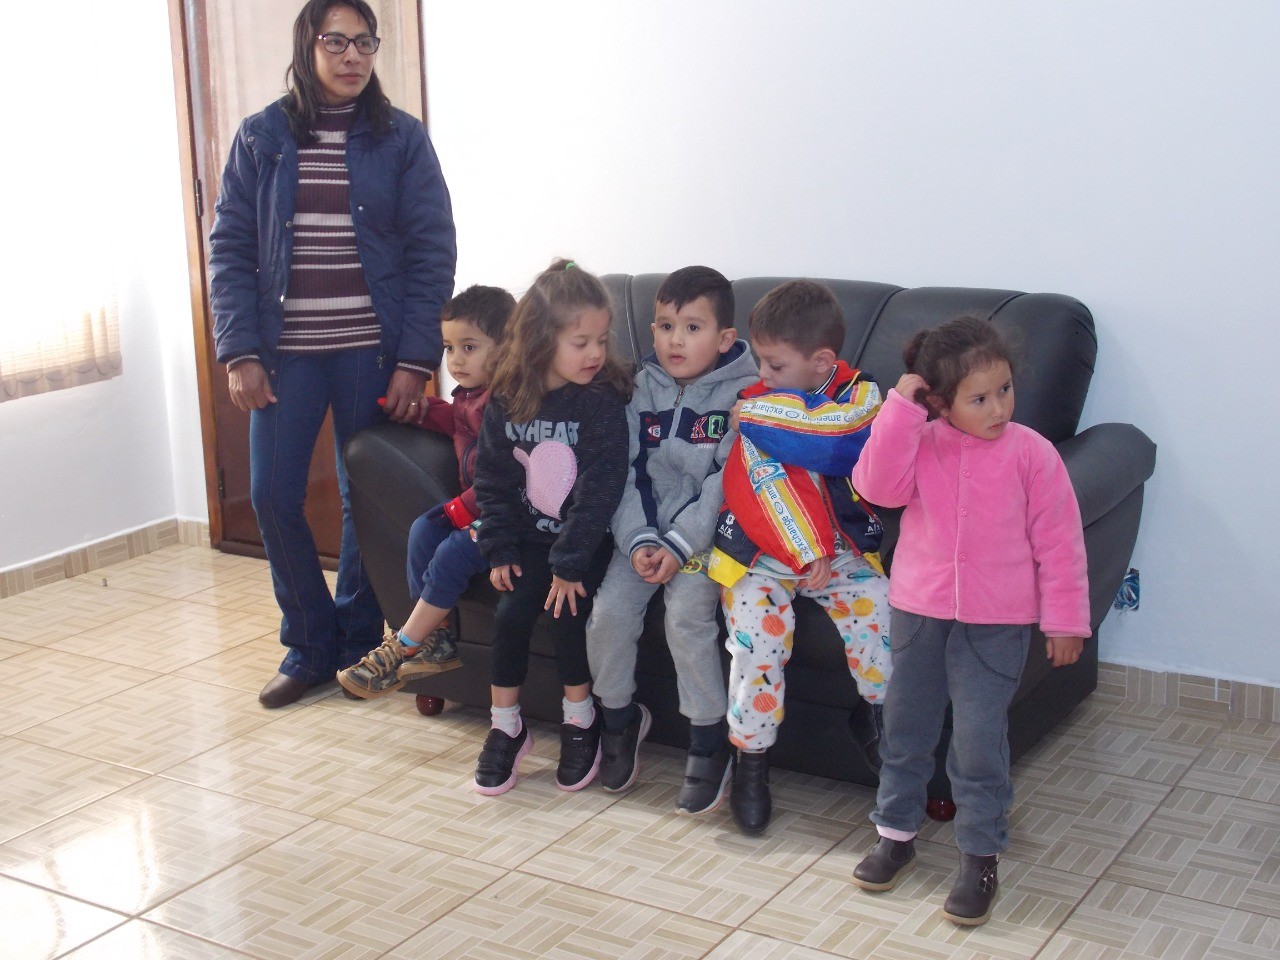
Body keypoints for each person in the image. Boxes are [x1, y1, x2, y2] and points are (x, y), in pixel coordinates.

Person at [208, 0, 456, 709]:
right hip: (283, 354)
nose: (352, 56)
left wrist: (415, 360)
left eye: (365, 43)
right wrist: (239, 348)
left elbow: (432, 250)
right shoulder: (261, 137)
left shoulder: (401, 138)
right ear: (308, 47)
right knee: (272, 494)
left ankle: (352, 641)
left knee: (362, 495)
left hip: (369, 352)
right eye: (336, 41)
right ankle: (308, 645)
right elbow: (229, 248)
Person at [849, 316, 1089, 926]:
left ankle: (980, 854)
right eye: (979, 399)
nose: (999, 408)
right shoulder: (919, 439)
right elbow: (875, 487)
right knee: (904, 728)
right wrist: (900, 409)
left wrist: (1065, 620)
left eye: (1004, 390)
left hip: (997, 623)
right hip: (919, 613)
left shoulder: (1031, 453)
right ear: (940, 403)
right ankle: (895, 834)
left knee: (979, 741)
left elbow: (1061, 544)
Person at [709, 279, 891, 835]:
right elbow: (759, 484)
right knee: (757, 642)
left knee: (883, 611)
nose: (763, 375)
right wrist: (803, 550)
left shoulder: (860, 395)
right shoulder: (755, 402)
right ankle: (750, 758)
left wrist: (766, 420)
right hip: (761, 554)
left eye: (776, 365)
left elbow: (841, 442)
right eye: (761, 362)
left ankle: (877, 716)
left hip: (842, 553)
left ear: (822, 362)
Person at [585, 266, 758, 812]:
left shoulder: (746, 396)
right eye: (664, 326)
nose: (674, 341)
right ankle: (618, 719)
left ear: (725, 338)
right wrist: (639, 541)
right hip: (640, 535)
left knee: (686, 617)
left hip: (703, 543)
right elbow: (624, 471)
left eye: (691, 328)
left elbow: (726, 486)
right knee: (608, 614)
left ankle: (708, 739)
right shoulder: (641, 388)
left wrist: (681, 545)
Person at [470, 259, 632, 796]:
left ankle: (580, 719)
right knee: (511, 614)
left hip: (585, 542)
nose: (595, 354)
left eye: (601, 341)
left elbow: (601, 490)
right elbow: (491, 478)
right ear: (542, 339)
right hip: (528, 540)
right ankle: (506, 727)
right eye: (580, 342)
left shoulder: (600, 402)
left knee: (568, 613)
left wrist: (569, 564)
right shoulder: (508, 397)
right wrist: (498, 546)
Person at [337, 285, 515, 698]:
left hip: (508, 514)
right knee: (423, 529)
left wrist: (461, 510)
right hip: (480, 509)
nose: (456, 360)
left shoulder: (508, 402)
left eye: (469, 347)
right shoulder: (470, 398)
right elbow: (456, 421)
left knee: (453, 549)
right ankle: (436, 638)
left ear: (507, 347)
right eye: (449, 348)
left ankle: (406, 642)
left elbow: (505, 477)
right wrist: (420, 411)